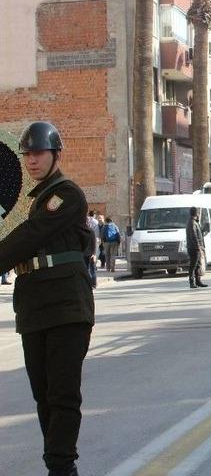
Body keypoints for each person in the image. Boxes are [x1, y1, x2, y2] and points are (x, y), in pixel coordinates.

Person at [0, 121, 94, 476]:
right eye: (27, 154)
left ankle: (61, 467)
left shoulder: (66, 195)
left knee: (62, 394)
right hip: (34, 307)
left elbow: (30, 236)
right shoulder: (35, 200)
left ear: (56, 155)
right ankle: (58, 462)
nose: (31, 160)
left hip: (67, 306)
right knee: (43, 395)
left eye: (38, 153)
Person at [185, 207, 208, 288]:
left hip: (195, 247)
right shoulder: (192, 223)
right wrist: (198, 247)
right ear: (196, 213)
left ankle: (198, 281)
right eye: (198, 213)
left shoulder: (194, 222)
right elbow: (194, 236)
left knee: (198, 265)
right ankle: (192, 282)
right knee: (193, 265)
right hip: (194, 248)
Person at [85, 210, 99, 288]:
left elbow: (94, 244)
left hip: (89, 253)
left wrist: (94, 254)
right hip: (87, 253)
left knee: (91, 269)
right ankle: (91, 284)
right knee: (89, 269)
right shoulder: (90, 231)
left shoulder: (90, 232)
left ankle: (93, 283)